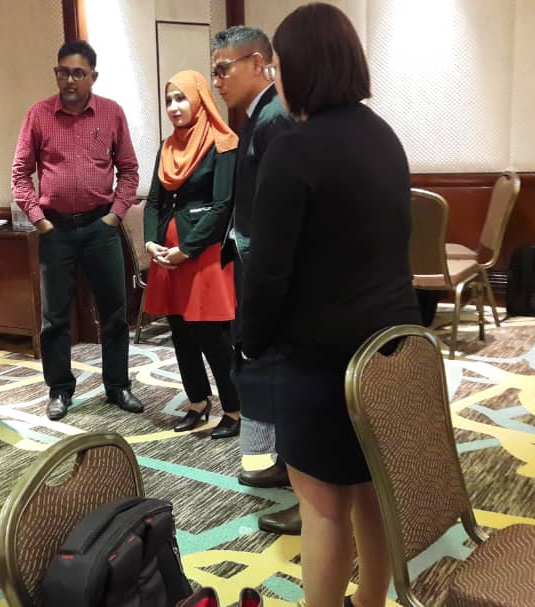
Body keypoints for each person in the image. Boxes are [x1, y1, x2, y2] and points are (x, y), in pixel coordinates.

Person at [240, 5, 421, 606]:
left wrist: (250, 341)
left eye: (278, 66)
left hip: (322, 360)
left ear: (300, 68)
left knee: (322, 511)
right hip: (390, 349)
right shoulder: (384, 136)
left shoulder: (295, 148)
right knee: (371, 496)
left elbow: (268, 272)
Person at [11, 40, 143, 421]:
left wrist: (115, 215)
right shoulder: (38, 115)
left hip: (101, 227)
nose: (69, 80)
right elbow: (20, 174)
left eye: (78, 73)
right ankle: (59, 390)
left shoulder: (111, 113)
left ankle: (117, 385)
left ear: (93, 76)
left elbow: (129, 170)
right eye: (63, 72)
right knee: (55, 317)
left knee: (114, 312)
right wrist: (39, 219)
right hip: (56, 231)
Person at [210, 26, 302, 534]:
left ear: (257, 63)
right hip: (256, 263)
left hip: (271, 270)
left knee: (279, 370)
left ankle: (303, 482)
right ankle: (286, 464)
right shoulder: (259, 115)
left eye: (223, 68)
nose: (217, 80)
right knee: (267, 367)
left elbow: (277, 213)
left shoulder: (275, 118)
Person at [142, 70, 241, 439]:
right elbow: (154, 201)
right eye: (169, 100)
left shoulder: (223, 142)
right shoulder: (167, 147)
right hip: (168, 257)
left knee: (211, 335)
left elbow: (222, 205)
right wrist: (151, 242)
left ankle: (235, 408)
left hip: (203, 253)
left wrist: (185, 250)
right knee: (181, 332)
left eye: (181, 98)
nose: (174, 107)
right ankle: (197, 402)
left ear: (199, 99)